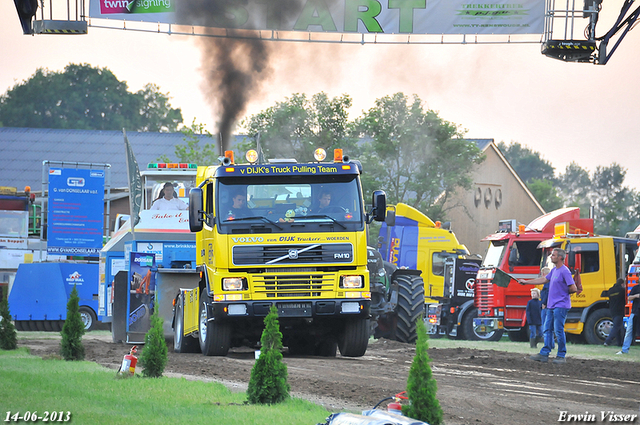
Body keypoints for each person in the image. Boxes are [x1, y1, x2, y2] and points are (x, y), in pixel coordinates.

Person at [520, 248, 577, 364]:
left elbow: (573, 288)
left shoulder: (564, 271)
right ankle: (544, 353)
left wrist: (562, 294)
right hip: (551, 306)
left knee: (558, 330)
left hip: (560, 306)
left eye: (553, 255)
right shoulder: (554, 270)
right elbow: (543, 279)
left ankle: (561, 355)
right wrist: (526, 282)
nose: (551, 257)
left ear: (560, 257)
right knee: (547, 329)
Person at [617, 283, 640, 355]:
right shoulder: (636, 288)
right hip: (635, 312)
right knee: (629, 331)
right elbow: (629, 298)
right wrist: (636, 296)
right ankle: (624, 350)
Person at [603, 278, 626, 347]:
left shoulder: (611, 290)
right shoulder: (622, 290)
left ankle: (619, 343)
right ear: (622, 284)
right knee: (616, 326)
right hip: (620, 310)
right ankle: (608, 341)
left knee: (618, 327)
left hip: (612, 310)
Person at [539, 267, 554, 349]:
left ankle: (548, 344)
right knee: (549, 327)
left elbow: (547, 292)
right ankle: (551, 344)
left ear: (544, 273)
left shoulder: (547, 282)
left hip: (546, 306)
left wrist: (544, 302)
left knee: (545, 326)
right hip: (549, 305)